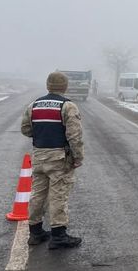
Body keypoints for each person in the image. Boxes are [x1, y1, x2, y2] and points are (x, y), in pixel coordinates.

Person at [20, 72, 84, 249]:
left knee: (37, 193)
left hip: (39, 155)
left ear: (48, 85)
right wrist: (78, 157)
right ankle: (58, 236)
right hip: (59, 158)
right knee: (58, 195)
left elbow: (25, 129)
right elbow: (74, 135)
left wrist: (42, 134)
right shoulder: (68, 106)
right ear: (65, 86)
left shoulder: (34, 105)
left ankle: (35, 232)